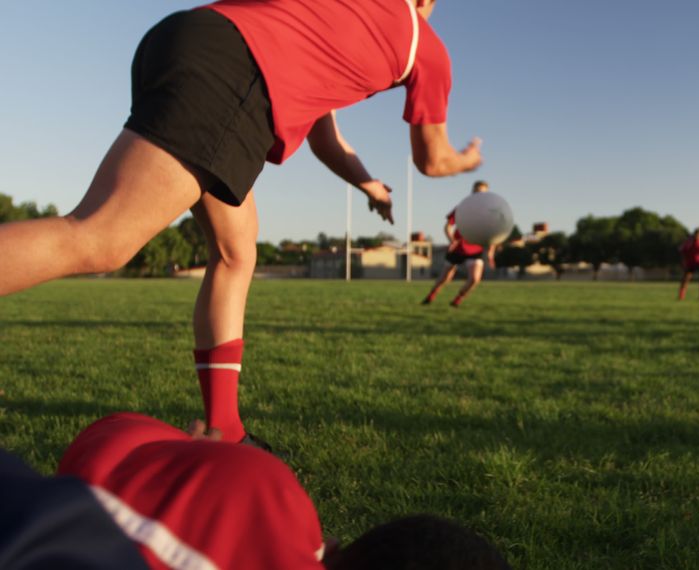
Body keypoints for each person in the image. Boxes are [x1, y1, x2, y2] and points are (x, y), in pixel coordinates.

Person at [0, 0, 483, 447]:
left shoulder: (332, 16)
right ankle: (222, 428)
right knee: (102, 238)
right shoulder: (424, 43)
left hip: (185, 36)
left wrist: (370, 186)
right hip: (233, 71)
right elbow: (432, 160)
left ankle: (224, 429)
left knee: (236, 250)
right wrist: (466, 159)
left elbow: (324, 139)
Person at [0, 413, 512, 570]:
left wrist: (199, 453)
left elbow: (108, 441)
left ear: (339, 549)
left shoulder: (273, 488)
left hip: (53, 504)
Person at [421, 181, 496, 308]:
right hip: (458, 249)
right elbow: (447, 227)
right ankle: (431, 296)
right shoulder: (462, 208)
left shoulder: (489, 213)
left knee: (474, 279)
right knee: (445, 278)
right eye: (476, 192)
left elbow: (492, 234)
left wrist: (490, 254)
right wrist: (452, 241)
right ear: (472, 193)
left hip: (475, 250)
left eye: (482, 193)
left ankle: (457, 300)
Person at [677, 229, 699, 301]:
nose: (697, 237)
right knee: (685, 279)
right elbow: (681, 251)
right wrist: (683, 262)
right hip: (690, 262)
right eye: (696, 235)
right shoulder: (688, 242)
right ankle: (681, 296)